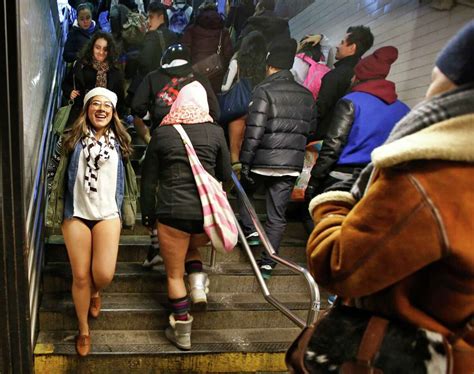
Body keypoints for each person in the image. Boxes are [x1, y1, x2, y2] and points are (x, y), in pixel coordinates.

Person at [305, 21, 474, 373]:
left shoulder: (427, 175)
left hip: (390, 355)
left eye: (433, 78)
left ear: (451, 84)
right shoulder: (401, 111)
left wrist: (330, 203)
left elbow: (340, 265)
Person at [140, 81, 232, 350]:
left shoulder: (163, 133)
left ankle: (182, 331)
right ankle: (198, 284)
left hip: (171, 212)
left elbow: (148, 181)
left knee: (172, 273)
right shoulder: (216, 132)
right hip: (204, 216)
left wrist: (148, 216)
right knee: (192, 248)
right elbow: (225, 176)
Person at [47, 87, 133, 357]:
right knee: (81, 275)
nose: (101, 109)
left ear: (113, 112)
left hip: (108, 213)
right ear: (86, 109)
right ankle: (84, 329)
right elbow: (52, 170)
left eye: (107, 105)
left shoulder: (121, 142)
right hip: (76, 213)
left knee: (103, 274)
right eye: (95, 103)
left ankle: (96, 292)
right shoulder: (71, 139)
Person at [239, 38, 314, 279]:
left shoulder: (263, 90)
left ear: (270, 66)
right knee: (277, 215)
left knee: (244, 193)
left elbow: (254, 131)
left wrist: (245, 164)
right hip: (291, 164)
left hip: (263, 160)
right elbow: (311, 128)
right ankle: (269, 261)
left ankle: (250, 232)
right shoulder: (306, 95)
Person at [305, 46, 410, 200]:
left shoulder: (351, 102)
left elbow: (333, 146)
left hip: (344, 179)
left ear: (360, 77)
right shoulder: (404, 109)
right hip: (381, 181)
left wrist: (314, 182)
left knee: (327, 222)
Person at [314, 25, 374, 141]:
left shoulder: (337, 75)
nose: (337, 46)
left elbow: (320, 110)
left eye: (342, 43)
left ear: (352, 47)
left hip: (326, 138)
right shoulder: (365, 77)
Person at [220, 30, 267, 166]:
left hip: (240, 108)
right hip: (259, 107)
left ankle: (235, 173)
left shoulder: (237, 59)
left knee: (235, 149)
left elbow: (225, 87)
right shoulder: (266, 63)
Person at [62, 31, 126, 127]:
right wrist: (70, 92)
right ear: (92, 48)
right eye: (97, 48)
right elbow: (66, 84)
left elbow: (120, 101)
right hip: (80, 117)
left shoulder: (115, 72)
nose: (101, 52)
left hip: (105, 120)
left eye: (105, 49)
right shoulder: (81, 65)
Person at [126, 1, 178, 103]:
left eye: (151, 17)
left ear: (161, 17)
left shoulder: (152, 36)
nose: (148, 21)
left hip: (151, 88)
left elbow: (145, 62)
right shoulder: (173, 35)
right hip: (169, 88)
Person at [181, 1, 233, 93]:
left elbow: (184, 52)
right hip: (216, 76)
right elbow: (228, 54)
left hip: (195, 75)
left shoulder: (191, 29)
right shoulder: (223, 31)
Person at [291, 34, 330, 100]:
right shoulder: (321, 61)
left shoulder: (298, 60)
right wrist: (320, 37)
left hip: (298, 97)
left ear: (303, 44)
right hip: (314, 98)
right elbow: (326, 45)